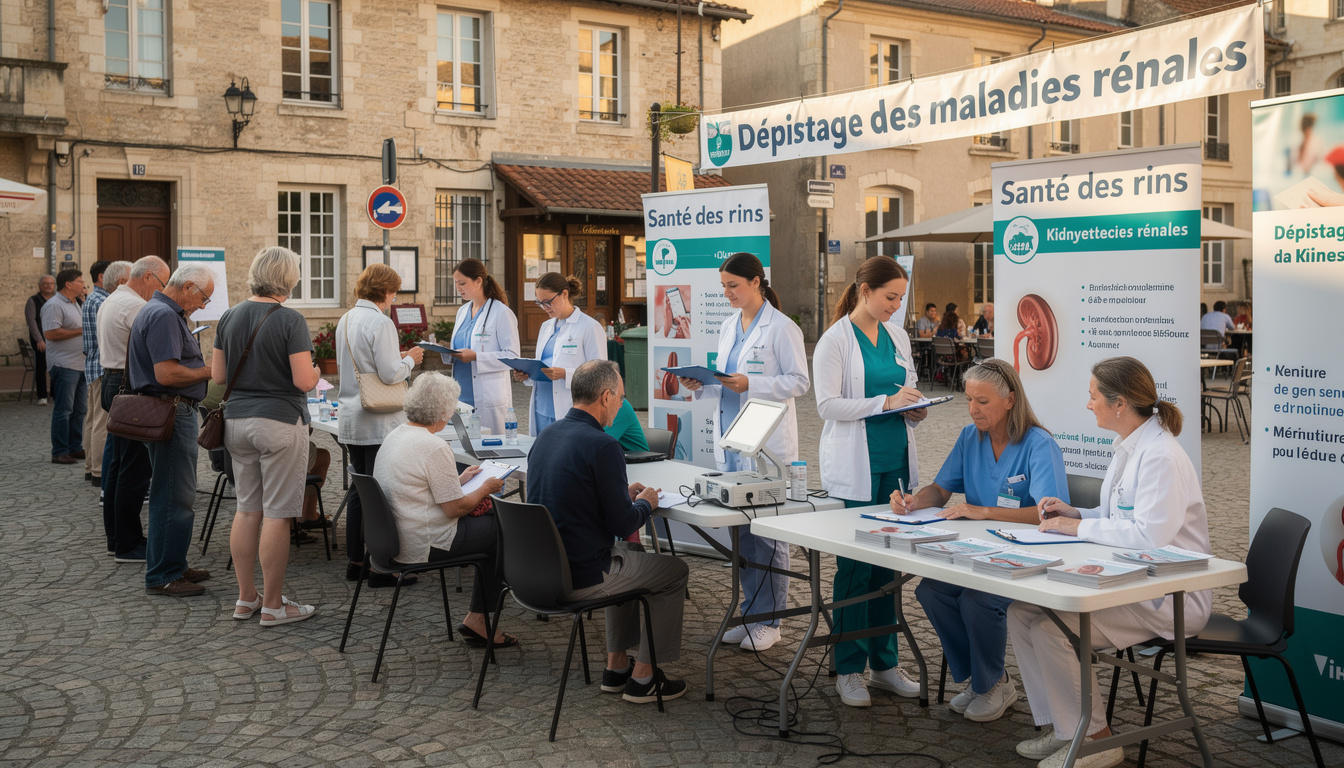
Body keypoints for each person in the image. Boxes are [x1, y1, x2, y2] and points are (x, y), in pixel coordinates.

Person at [1009, 356, 1210, 768]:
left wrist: (1074, 529)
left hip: (1168, 595)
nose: (1088, 404)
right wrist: (1077, 514)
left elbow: (1149, 536)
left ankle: (1095, 739)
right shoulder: (1128, 447)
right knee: (1020, 610)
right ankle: (1064, 728)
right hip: (1133, 581)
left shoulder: (1160, 456)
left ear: (1120, 404)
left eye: (1093, 396)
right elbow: (1122, 519)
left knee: (1051, 628)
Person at [890, 358, 1069, 722]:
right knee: (931, 591)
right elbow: (940, 489)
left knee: (977, 599)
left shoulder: (1039, 444)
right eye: (969, 399)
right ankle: (986, 678)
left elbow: (1050, 515)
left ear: (1010, 400)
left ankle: (992, 684)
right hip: (977, 551)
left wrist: (983, 511)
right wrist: (913, 502)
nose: (973, 409)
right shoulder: (970, 437)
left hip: (1028, 556)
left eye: (983, 402)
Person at [527, 360, 690, 704]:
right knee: (674, 571)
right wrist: (645, 502)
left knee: (631, 555)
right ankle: (644, 677)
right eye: (620, 398)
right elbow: (623, 525)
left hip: (540, 570)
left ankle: (617, 667)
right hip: (582, 576)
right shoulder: (603, 445)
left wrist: (621, 496)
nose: (621, 405)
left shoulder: (546, 435)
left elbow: (571, 499)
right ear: (605, 397)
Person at [677, 252, 809, 652]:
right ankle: (751, 612)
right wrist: (702, 384)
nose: (727, 293)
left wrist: (750, 382)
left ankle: (772, 620)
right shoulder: (729, 325)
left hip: (766, 444)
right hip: (734, 440)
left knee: (768, 533)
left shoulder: (782, 328)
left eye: (733, 285)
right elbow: (726, 380)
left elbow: (799, 382)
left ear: (756, 282)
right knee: (742, 531)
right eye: (723, 286)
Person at [813, 255, 928, 707]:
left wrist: (914, 408)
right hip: (855, 468)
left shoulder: (897, 335)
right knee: (855, 568)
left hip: (895, 461)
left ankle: (884, 663)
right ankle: (848, 668)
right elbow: (827, 405)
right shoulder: (834, 340)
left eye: (900, 298)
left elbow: (908, 388)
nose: (896, 306)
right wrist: (884, 402)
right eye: (889, 297)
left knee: (887, 566)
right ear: (865, 290)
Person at [213, 246, 321, 625]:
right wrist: (318, 371)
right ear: (289, 278)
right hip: (278, 420)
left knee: (247, 509)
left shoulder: (229, 315)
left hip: (237, 422)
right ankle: (274, 605)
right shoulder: (290, 319)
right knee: (278, 514)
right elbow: (303, 381)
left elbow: (218, 376)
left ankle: (246, 598)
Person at [374, 372, 517, 647]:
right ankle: (480, 618)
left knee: (493, 525)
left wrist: (460, 480)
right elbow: (455, 508)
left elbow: (418, 485)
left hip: (394, 536)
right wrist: (485, 488)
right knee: (501, 530)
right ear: (443, 411)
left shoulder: (397, 434)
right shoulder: (433, 445)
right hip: (423, 541)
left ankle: (480, 615)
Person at [126, 262, 215, 597]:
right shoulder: (164, 315)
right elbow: (166, 374)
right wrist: (207, 371)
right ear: (188, 286)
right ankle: (163, 573)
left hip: (170, 410)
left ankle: (173, 563)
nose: (204, 305)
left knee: (176, 493)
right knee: (173, 495)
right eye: (204, 297)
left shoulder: (161, 311)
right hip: (172, 410)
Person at [336, 263, 425, 588]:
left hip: (352, 416)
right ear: (386, 291)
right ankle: (381, 566)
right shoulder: (381, 321)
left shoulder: (347, 318)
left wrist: (396, 358)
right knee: (382, 493)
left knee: (359, 491)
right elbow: (389, 374)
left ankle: (356, 562)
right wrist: (410, 359)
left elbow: (364, 365)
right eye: (394, 291)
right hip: (379, 420)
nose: (395, 297)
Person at [98, 256, 169, 562]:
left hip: (112, 382)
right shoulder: (136, 306)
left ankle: (117, 538)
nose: (163, 290)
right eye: (164, 284)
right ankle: (127, 543)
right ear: (150, 277)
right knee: (135, 469)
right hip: (129, 387)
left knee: (117, 464)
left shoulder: (113, 298)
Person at [514, 272, 605, 435]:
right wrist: (527, 374)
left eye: (548, 301)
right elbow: (541, 365)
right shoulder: (546, 326)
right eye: (539, 302)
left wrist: (565, 374)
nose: (544, 307)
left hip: (568, 408)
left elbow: (600, 375)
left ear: (564, 294)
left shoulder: (590, 327)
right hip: (541, 407)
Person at [449, 258, 519, 435]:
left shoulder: (501, 313)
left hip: (487, 396)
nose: (458, 288)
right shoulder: (462, 311)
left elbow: (512, 356)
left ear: (478, 281)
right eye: (456, 283)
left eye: (462, 283)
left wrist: (476, 357)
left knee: (488, 450)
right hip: (460, 394)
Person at [41, 267, 88, 465]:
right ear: (68, 284)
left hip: (80, 364)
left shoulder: (76, 303)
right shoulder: (54, 305)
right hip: (64, 364)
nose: (83, 284)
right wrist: (80, 330)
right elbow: (51, 333)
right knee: (64, 409)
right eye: (79, 281)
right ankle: (59, 451)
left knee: (80, 409)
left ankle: (74, 447)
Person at [81, 260, 114, 487]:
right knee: (101, 422)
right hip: (102, 366)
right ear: (102, 277)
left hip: (93, 364)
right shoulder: (102, 300)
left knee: (92, 420)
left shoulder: (91, 298)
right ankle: (98, 471)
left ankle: (89, 467)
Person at [24, 275, 55, 404]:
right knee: (41, 367)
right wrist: (39, 340)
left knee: (55, 366)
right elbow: (31, 322)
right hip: (40, 340)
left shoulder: (56, 300)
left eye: (51, 283)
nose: (48, 286)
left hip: (54, 339)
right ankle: (42, 396)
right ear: (40, 285)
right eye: (45, 283)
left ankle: (54, 394)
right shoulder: (33, 300)